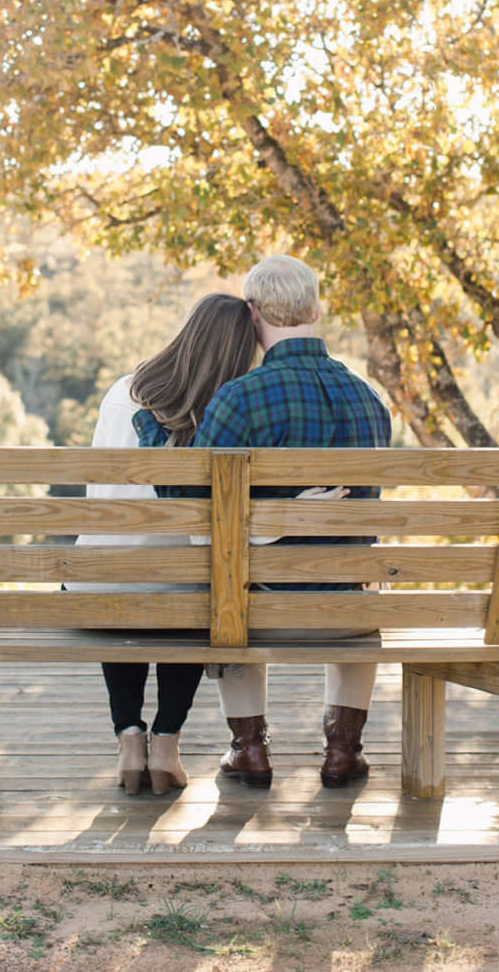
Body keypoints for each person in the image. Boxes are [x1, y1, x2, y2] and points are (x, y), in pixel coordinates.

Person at [141, 255, 391, 788]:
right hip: (349, 611)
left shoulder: (240, 397)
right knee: (357, 586)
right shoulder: (370, 400)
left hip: (259, 610)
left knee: (234, 579)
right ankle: (343, 749)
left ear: (254, 316)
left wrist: (149, 430)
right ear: (317, 309)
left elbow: (190, 502)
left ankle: (249, 748)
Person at [78, 293, 257, 795]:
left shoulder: (123, 391)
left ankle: (129, 737)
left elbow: (97, 492)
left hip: (99, 582)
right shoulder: (218, 412)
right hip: (179, 592)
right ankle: (166, 744)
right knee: (190, 589)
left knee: (123, 576)